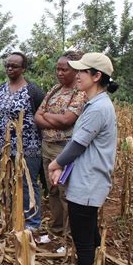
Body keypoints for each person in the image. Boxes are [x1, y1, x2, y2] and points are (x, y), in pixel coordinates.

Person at [48, 53, 118, 265]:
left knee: (84, 242)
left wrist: (55, 163)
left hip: (87, 184)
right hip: (88, 181)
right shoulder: (96, 104)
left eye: (82, 71)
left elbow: (77, 144)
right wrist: (63, 166)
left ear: (96, 76)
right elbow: (78, 143)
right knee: (90, 236)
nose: (76, 75)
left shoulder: (98, 108)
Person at [34, 51, 86, 235]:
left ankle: (69, 235)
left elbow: (67, 120)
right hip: (47, 147)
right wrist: (53, 118)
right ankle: (56, 230)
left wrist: (46, 115)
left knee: (66, 193)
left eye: (64, 69)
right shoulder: (54, 89)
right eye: (57, 69)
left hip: (64, 150)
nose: (59, 73)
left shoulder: (80, 93)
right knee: (53, 191)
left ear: (75, 70)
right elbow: (36, 117)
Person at [0, 52, 45, 231]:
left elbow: (41, 115)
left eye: (14, 66)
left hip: (28, 146)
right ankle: (10, 215)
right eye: (7, 65)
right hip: (2, 144)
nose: (10, 68)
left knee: (27, 182)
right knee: (6, 181)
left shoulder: (33, 90)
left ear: (23, 69)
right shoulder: (1, 87)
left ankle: (31, 222)